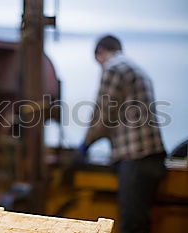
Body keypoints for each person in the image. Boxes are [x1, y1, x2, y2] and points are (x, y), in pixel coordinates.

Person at [77, 35, 167, 233]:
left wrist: (85, 145)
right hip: (152, 156)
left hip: (136, 158)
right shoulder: (134, 68)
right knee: (140, 220)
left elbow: (103, 114)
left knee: (132, 224)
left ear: (100, 52)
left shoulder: (114, 68)